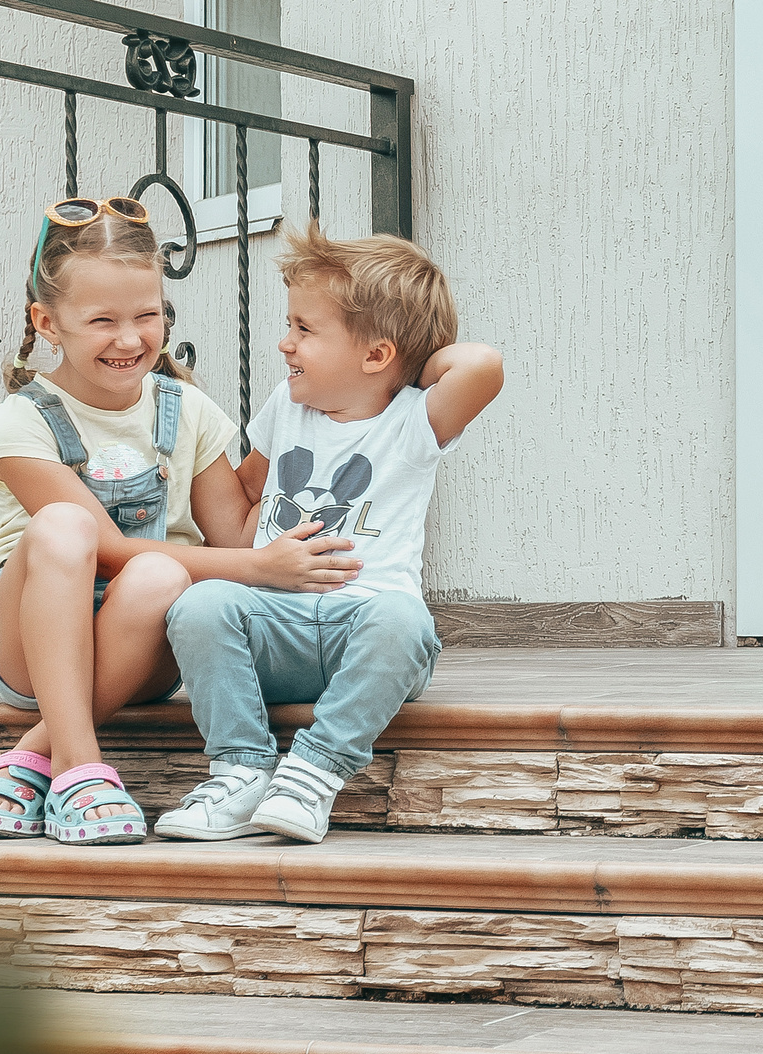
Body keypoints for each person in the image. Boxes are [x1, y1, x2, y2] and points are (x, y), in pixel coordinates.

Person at [0, 196, 361, 845]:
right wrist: (259, 566)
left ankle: (34, 758)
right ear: (48, 321)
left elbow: (234, 533)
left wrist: (306, 410)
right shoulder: (24, 419)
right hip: (24, 644)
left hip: (141, 644)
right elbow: (114, 550)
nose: (130, 338)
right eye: (102, 321)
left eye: (147, 316)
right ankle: (82, 767)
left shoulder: (187, 409)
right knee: (71, 532)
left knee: (162, 581)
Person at [155, 223, 504, 844]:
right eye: (289, 325)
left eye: (304, 330)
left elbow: (483, 365)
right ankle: (241, 770)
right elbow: (248, 498)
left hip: (364, 636)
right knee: (199, 605)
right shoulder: (286, 405)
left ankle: (314, 772)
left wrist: (414, 367)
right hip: (275, 627)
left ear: (376, 355)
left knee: (405, 622)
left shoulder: (413, 422)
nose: (285, 344)